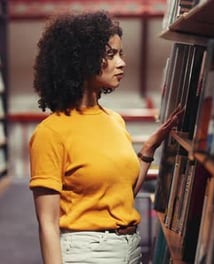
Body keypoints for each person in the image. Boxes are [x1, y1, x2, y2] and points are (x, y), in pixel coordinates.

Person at [29, 10, 184, 264]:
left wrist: (148, 150)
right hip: (86, 253)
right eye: (110, 55)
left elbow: (123, 196)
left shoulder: (114, 120)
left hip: (129, 248)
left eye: (120, 54)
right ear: (81, 61)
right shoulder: (50, 133)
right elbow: (47, 224)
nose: (121, 63)